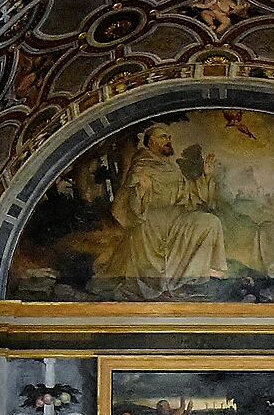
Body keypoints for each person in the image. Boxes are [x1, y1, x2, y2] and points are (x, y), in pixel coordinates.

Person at [92, 125, 228, 293]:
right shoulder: (141, 166)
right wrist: (141, 193)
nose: (168, 140)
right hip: (152, 229)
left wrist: (206, 176)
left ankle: (198, 272)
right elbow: (130, 205)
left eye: (169, 137)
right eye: (164, 137)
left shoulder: (171, 168)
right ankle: (174, 276)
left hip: (176, 222)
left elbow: (189, 195)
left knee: (210, 222)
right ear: (152, 142)